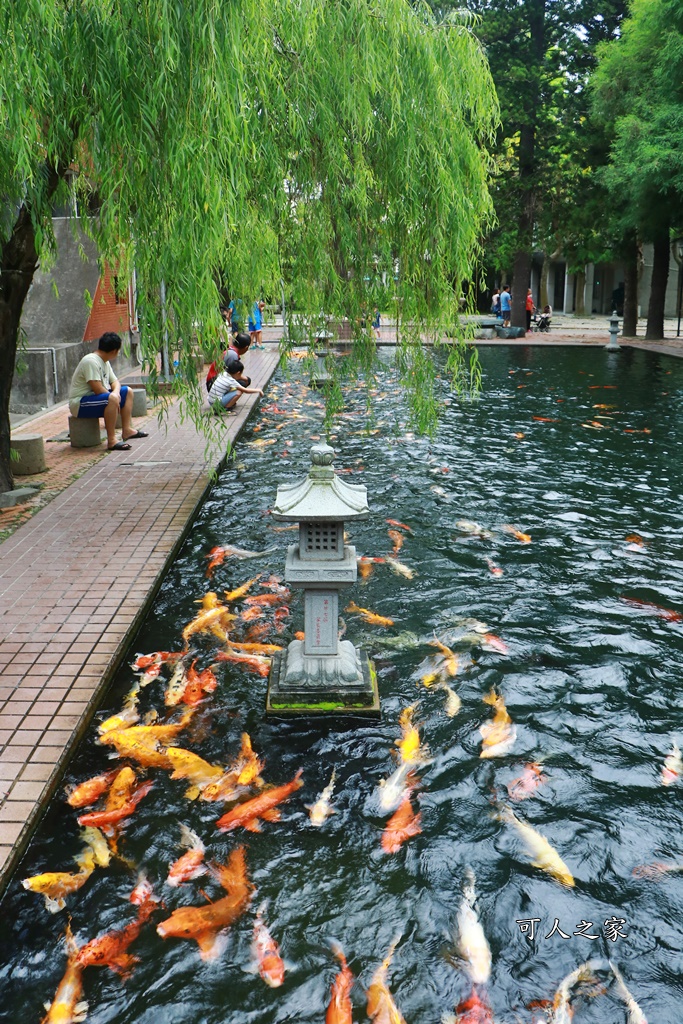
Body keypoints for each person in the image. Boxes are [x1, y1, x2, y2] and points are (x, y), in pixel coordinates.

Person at [68, 331, 148, 451]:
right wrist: (113, 397)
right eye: (119, 350)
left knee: (128, 391)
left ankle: (127, 430)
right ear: (114, 351)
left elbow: (115, 382)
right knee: (112, 398)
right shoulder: (91, 361)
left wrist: (115, 393)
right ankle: (111, 440)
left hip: (96, 399)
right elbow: (97, 388)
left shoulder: (104, 361)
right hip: (80, 403)